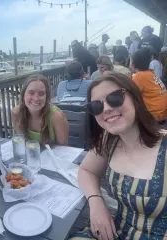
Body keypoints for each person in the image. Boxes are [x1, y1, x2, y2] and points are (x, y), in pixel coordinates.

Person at [70, 72, 167, 239]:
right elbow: (87, 170)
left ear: (135, 98)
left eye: (115, 98)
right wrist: (95, 201)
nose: (106, 109)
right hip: (115, 232)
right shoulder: (110, 140)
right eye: (96, 106)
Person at [12, 74, 69, 145]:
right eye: (31, 93)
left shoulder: (57, 117)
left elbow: (63, 149)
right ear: (23, 95)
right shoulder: (17, 113)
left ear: (46, 97)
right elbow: (20, 142)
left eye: (41, 94)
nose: (36, 98)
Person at [131, 48, 167, 121]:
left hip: (155, 115)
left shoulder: (139, 76)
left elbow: (131, 94)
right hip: (163, 111)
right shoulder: (150, 73)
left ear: (133, 64)